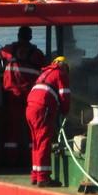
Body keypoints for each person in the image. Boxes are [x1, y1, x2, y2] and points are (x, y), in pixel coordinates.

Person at [0, 27, 45, 166]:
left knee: (12, 126)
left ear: (18, 36)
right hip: (31, 95)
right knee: (31, 126)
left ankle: (11, 159)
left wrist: (0, 53)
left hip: (12, 95)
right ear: (30, 37)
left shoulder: (10, 50)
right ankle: (31, 159)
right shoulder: (37, 54)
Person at [25, 56, 71, 186]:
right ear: (64, 66)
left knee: (36, 142)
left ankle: (35, 174)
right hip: (42, 108)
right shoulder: (61, 74)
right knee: (44, 141)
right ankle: (43, 178)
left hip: (30, 108)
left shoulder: (45, 73)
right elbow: (64, 95)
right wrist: (65, 111)